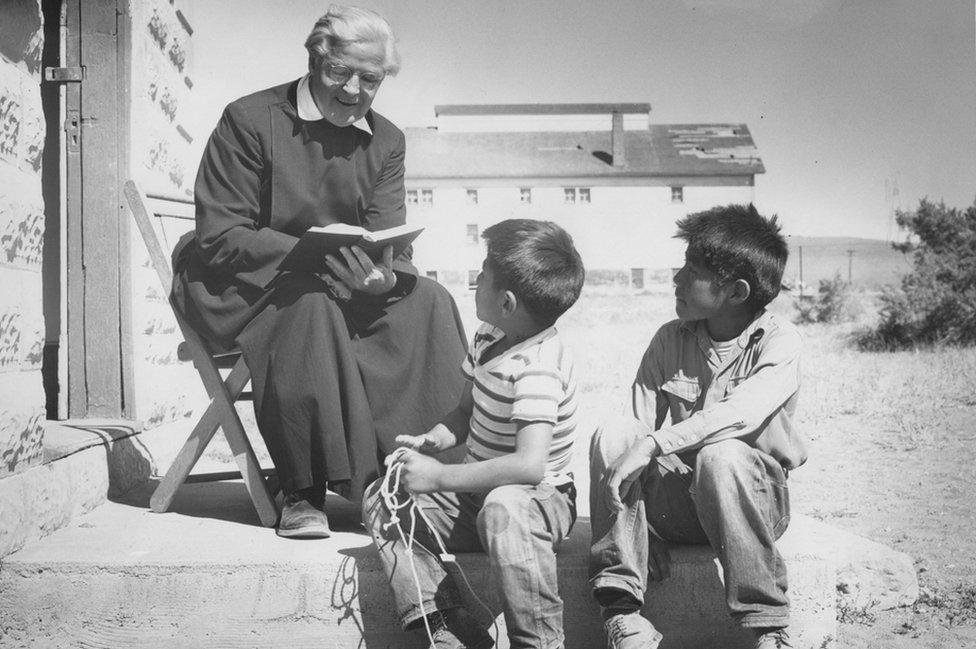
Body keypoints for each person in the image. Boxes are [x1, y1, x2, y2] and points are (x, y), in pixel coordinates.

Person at [171, 5, 468, 538]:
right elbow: (220, 234)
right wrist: (309, 257)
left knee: (429, 299)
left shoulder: (387, 140)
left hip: (335, 282)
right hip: (236, 282)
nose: (354, 90)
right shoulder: (249, 119)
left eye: (371, 80)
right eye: (340, 73)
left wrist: (384, 277)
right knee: (310, 301)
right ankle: (303, 489)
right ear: (315, 58)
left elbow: (389, 240)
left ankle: (428, 476)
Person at [588, 204, 806, 649]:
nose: (676, 278)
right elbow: (634, 427)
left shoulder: (780, 341)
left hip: (753, 505)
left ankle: (769, 628)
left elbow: (737, 416)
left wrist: (654, 444)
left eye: (692, 270)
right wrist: (641, 531)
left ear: (736, 292)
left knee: (720, 453)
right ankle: (623, 615)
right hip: (678, 507)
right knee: (614, 432)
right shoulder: (671, 337)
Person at [362, 219, 586, 649]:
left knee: (505, 505)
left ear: (506, 302)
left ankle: (539, 642)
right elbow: (466, 409)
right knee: (383, 494)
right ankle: (446, 622)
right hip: (475, 497)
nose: (475, 279)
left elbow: (529, 466)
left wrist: (440, 477)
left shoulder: (538, 366)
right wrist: (436, 439)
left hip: (538, 502)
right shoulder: (489, 335)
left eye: (482, 274)